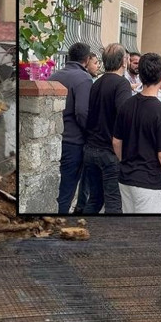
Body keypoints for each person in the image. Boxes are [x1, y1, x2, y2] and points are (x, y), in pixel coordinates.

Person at [112, 53, 161, 213]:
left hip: (126, 177)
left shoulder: (126, 105)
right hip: (149, 181)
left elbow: (116, 141)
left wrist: (126, 161)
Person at [83, 43, 134, 213]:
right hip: (109, 151)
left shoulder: (97, 82)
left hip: (91, 149)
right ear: (124, 62)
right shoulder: (122, 84)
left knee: (95, 200)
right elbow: (125, 116)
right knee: (114, 202)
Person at [48, 42, 94, 214]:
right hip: (73, 142)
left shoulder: (54, 76)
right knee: (66, 190)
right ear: (87, 59)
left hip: (54, 139)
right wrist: (89, 132)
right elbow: (82, 112)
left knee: (52, 188)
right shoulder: (84, 78)